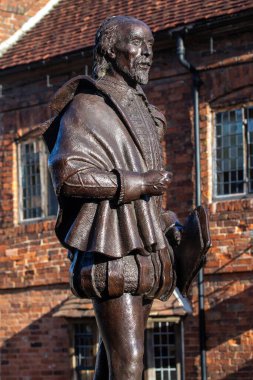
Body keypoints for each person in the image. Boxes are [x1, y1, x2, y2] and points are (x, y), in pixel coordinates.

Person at [45, 15, 182, 380]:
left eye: (150, 47)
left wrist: (168, 223)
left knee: (117, 358)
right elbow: (69, 175)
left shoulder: (145, 113)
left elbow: (151, 195)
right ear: (111, 50)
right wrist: (137, 183)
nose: (147, 54)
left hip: (147, 247)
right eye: (138, 44)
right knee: (130, 361)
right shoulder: (87, 107)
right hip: (111, 248)